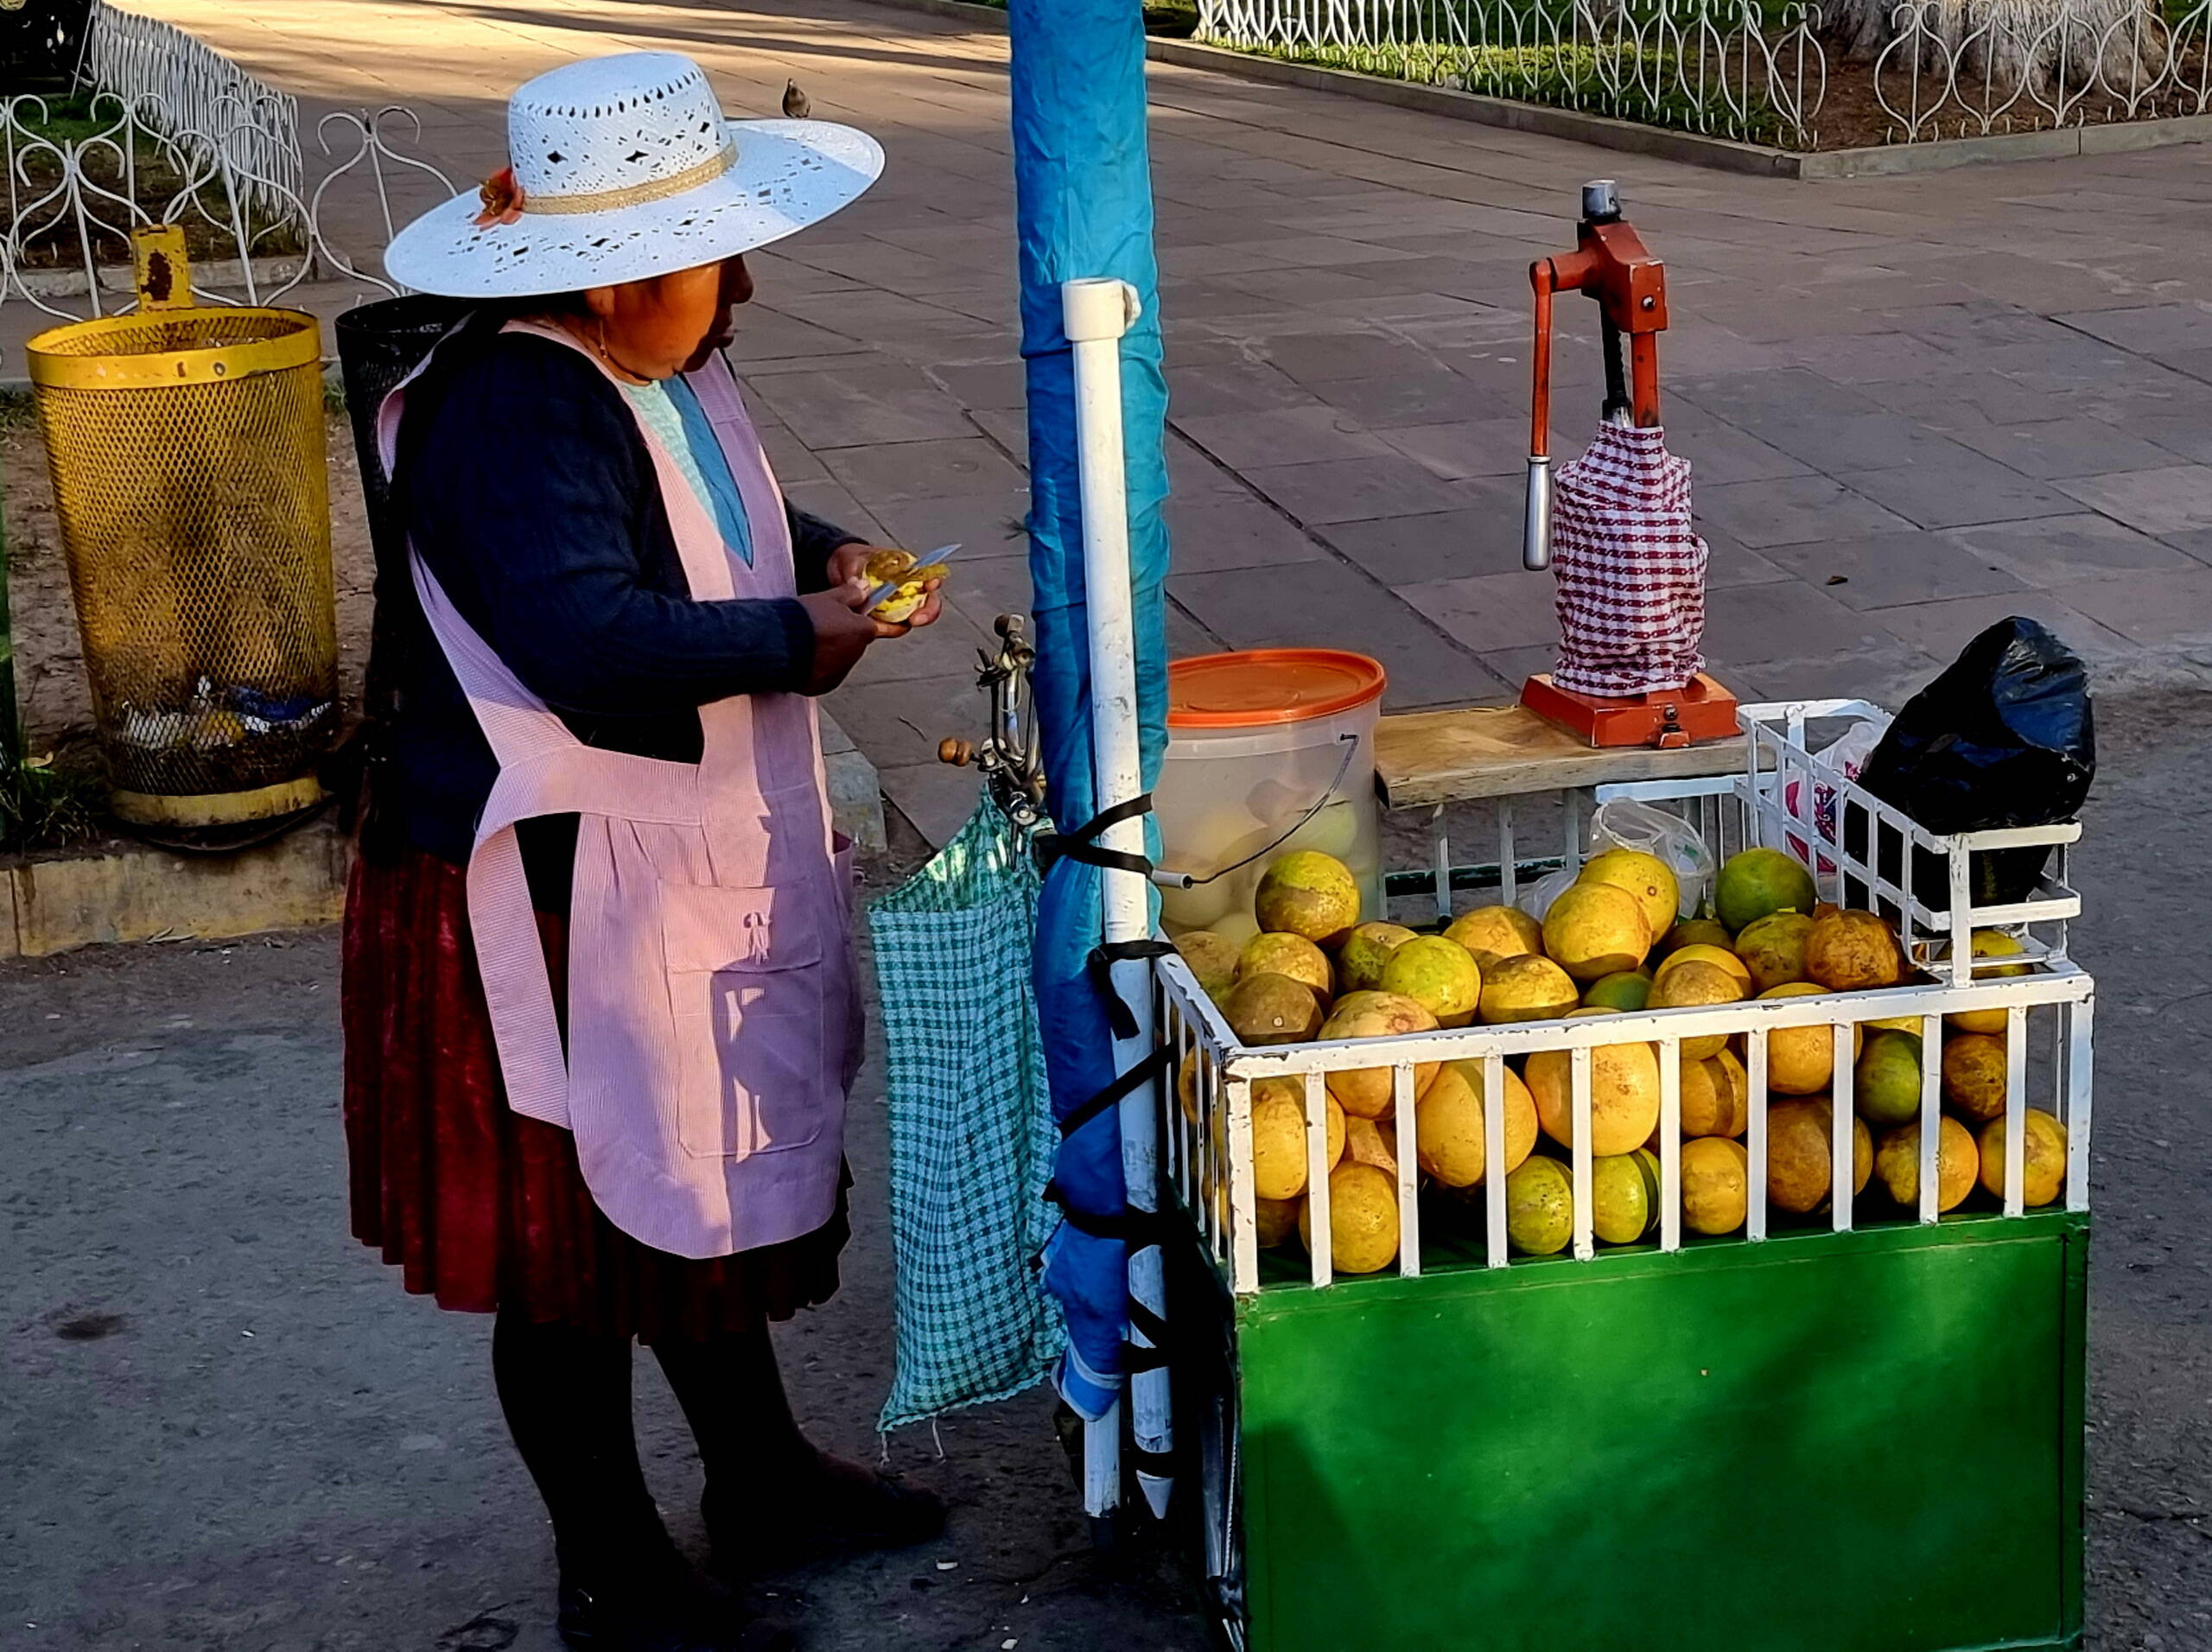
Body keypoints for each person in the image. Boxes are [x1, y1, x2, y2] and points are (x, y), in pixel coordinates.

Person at [343, 52, 944, 1652]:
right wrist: (801, 636)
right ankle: (610, 1566)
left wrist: (830, 557)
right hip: (542, 886)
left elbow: (706, 516)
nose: (741, 289)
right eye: (712, 261)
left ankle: (760, 1476)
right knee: (572, 1247)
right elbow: (588, 636)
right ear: (611, 278)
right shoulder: (514, 403)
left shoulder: (654, 370)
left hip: (655, 859)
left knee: (687, 1188)